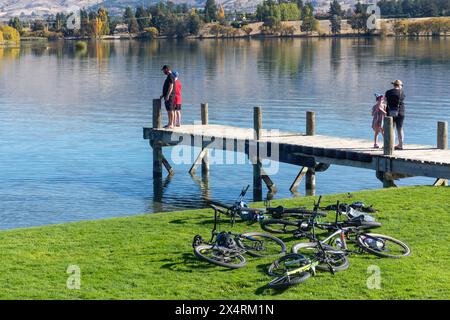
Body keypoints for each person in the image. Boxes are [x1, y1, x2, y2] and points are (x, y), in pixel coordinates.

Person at [385, 79, 406, 150]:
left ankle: (391, 145)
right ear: (399, 85)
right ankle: (400, 145)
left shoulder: (388, 92)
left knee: (392, 129)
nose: (402, 87)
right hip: (400, 113)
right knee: (400, 129)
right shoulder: (402, 93)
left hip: (390, 112)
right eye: (402, 85)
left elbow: (385, 100)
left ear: (394, 85)